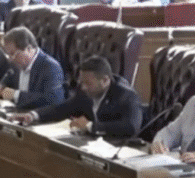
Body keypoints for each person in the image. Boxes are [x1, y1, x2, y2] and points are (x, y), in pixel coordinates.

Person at [9, 56, 143, 138]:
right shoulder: (84, 90)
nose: (83, 87)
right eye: (81, 82)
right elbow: (63, 108)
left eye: (88, 84)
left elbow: (131, 126)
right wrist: (33, 115)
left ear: (105, 80)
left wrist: (91, 126)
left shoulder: (126, 95)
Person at [0, 27, 64, 110]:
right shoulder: (16, 63)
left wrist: (16, 95)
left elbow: (53, 100)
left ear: (28, 49)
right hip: (16, 113)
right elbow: (6, 81)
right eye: (8, 54)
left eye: (13, 54)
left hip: (40, 118)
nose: (10, 59)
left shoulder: (51, 67)